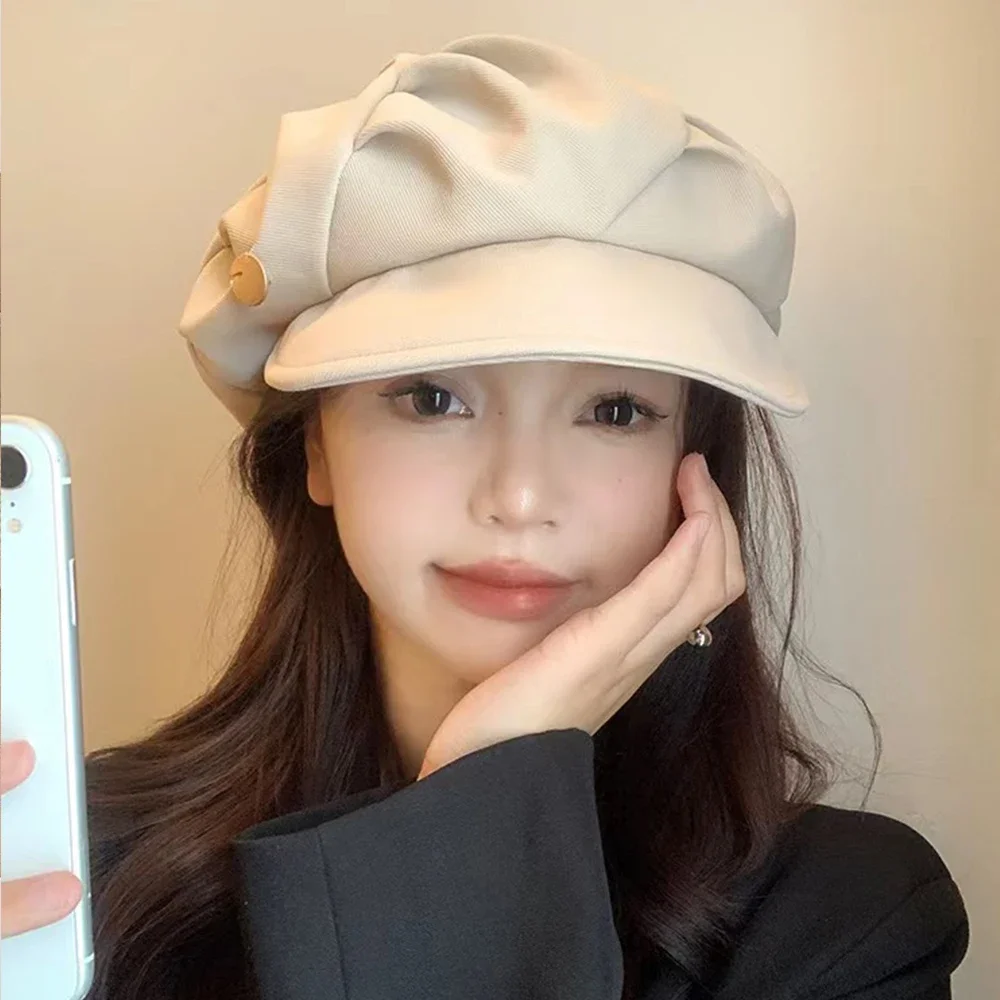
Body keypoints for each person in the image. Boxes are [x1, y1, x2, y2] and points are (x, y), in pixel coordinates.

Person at [0, 32, 969, 1000]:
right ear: (317, 450)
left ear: (696, 468)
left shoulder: (843, 921)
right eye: (432, 399)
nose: (520, 497)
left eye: (614, 411)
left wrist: (490, 790)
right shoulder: (69, 870)